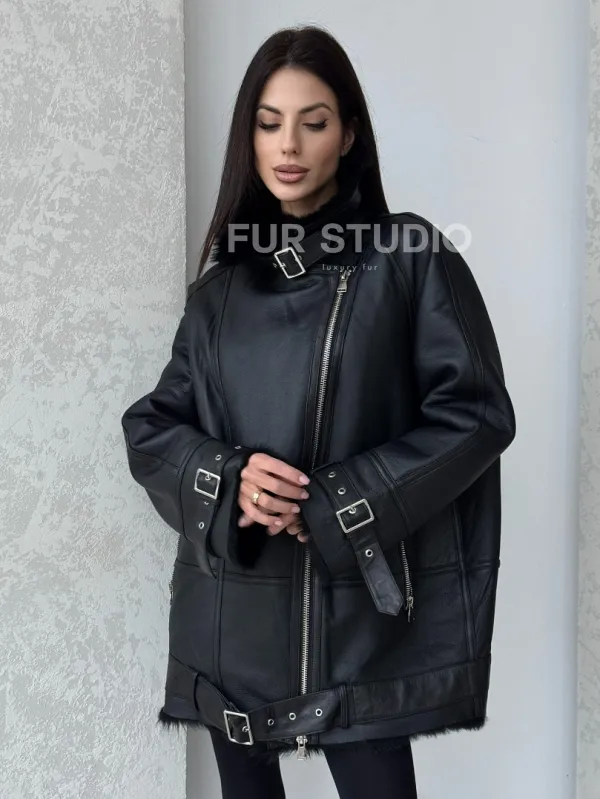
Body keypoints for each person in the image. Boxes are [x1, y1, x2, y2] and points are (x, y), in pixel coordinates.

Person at [121, 24, 516, 799]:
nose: (289, 145)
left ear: (350, 134)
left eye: (314, 121)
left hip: (358, 624)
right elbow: (152, 428)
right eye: (269, 122)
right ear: (249, 136)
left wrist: (341, 500)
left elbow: (477, 414)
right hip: (231, 621)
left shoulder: (410, 257)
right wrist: (229, 477)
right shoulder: (219, 292)